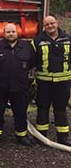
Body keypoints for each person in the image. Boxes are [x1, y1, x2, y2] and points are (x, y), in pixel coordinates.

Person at [0, 23, 34, 146]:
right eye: (8, 32)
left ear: (17, 32)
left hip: (20, 86)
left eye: (13, 31)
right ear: (4, 33)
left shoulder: (26, 46)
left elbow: (32, 62)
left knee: (20, 111)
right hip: (0, 86)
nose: (11, 34)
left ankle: (21, 135)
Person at [31, 16, 71, 145]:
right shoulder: (37, 41)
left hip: (63, 82)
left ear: (57, 23)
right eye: (47, 24)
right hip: (44, 82)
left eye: (52, 23)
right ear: (44, 26)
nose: (50, 26)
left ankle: (63, 137)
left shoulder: (68, 39)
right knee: (42, 109)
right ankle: (41, 137)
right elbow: (32, 60)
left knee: (61, 109)